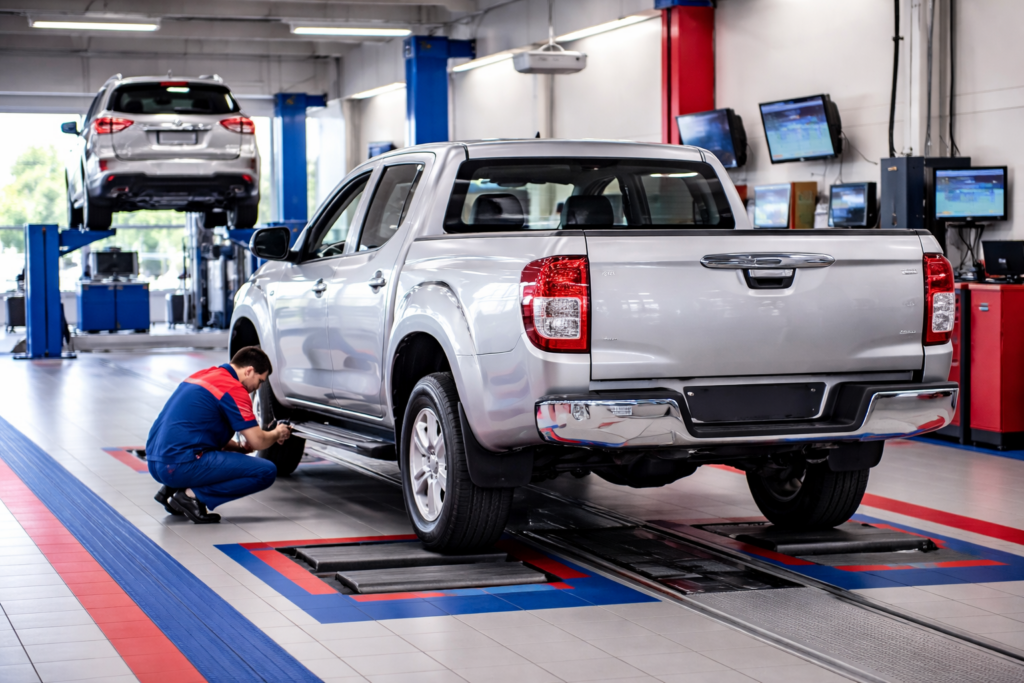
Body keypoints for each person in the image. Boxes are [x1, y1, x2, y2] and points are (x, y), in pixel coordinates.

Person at [146, 346, 293, 524]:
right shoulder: (233, 389)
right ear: (249, 371)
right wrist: (277, 433)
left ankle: (170, 489)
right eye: (260, 381)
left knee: (201, 451)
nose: (257, 387)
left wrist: (238, 448)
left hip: (156, 462)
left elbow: (201, 432)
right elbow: (258, 441)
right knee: (266, 471)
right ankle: (191, 496)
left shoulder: (204, 375)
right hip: (177, 466)